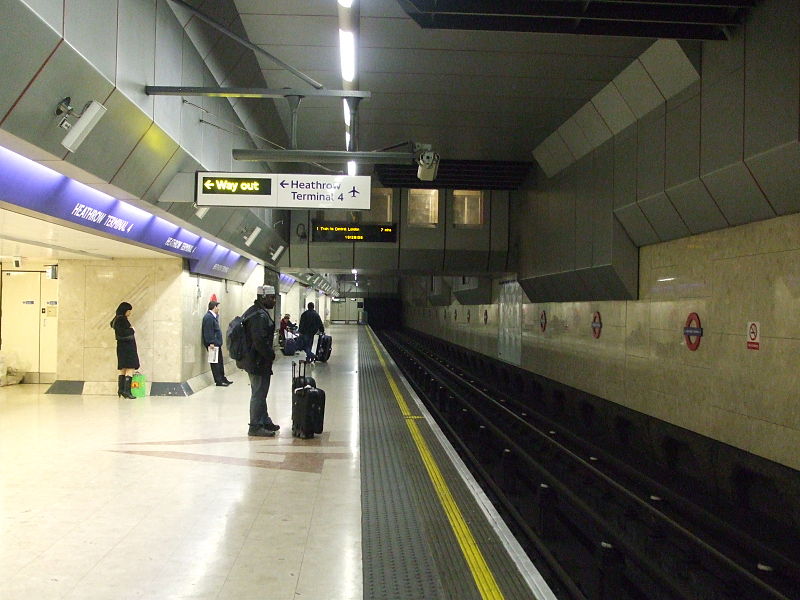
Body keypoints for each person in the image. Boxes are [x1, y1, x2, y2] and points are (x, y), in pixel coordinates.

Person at [240, 285, 280, 437]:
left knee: (261, 392)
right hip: (257, 362)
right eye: (271, 297)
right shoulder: (258, 315)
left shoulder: (256, 311)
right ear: (263, 297)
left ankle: (264, 420)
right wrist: (271, 354)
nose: (274, 300)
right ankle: (255, 426)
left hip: (257, 361)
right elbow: (259, 341)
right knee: (258, 393)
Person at [110, 301, 139, 399]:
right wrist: (132, 330)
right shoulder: (122, 320)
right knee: (130, 367)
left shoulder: (116, 319)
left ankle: (121, 390)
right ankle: (127, 391)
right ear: (124, 310)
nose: (130, 313)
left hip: (121, 347)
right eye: (129, 311)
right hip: (128, 348)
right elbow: (124, 333)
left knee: (123, 369)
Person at [202, 300, 232, 386]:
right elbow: (208, 331)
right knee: (215, 363)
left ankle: (222, 378)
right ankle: (218, 381)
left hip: (217, 344)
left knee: (219, 362)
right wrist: (211, 342)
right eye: (218, 307)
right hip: (213, 345)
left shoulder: (213, 317)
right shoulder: (208, 317)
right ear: (214, 307)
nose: (219, 309)